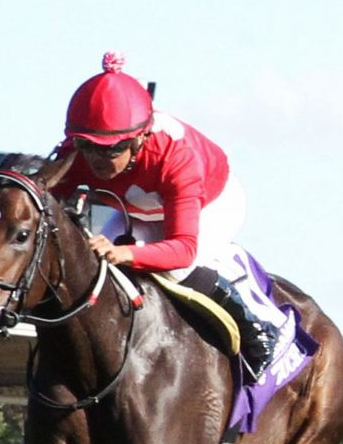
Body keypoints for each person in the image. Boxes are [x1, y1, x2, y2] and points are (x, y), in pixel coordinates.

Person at [42, 54, 286, 373]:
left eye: (112, 149)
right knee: (96, 267)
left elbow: (183, 249)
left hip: (213, 203)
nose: (98, 160)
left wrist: (125, 252)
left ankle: (257, 330)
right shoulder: (76, 154)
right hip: (141, 211)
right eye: (88, 147)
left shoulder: (175, 157)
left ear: (139, 139)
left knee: (176, 270)